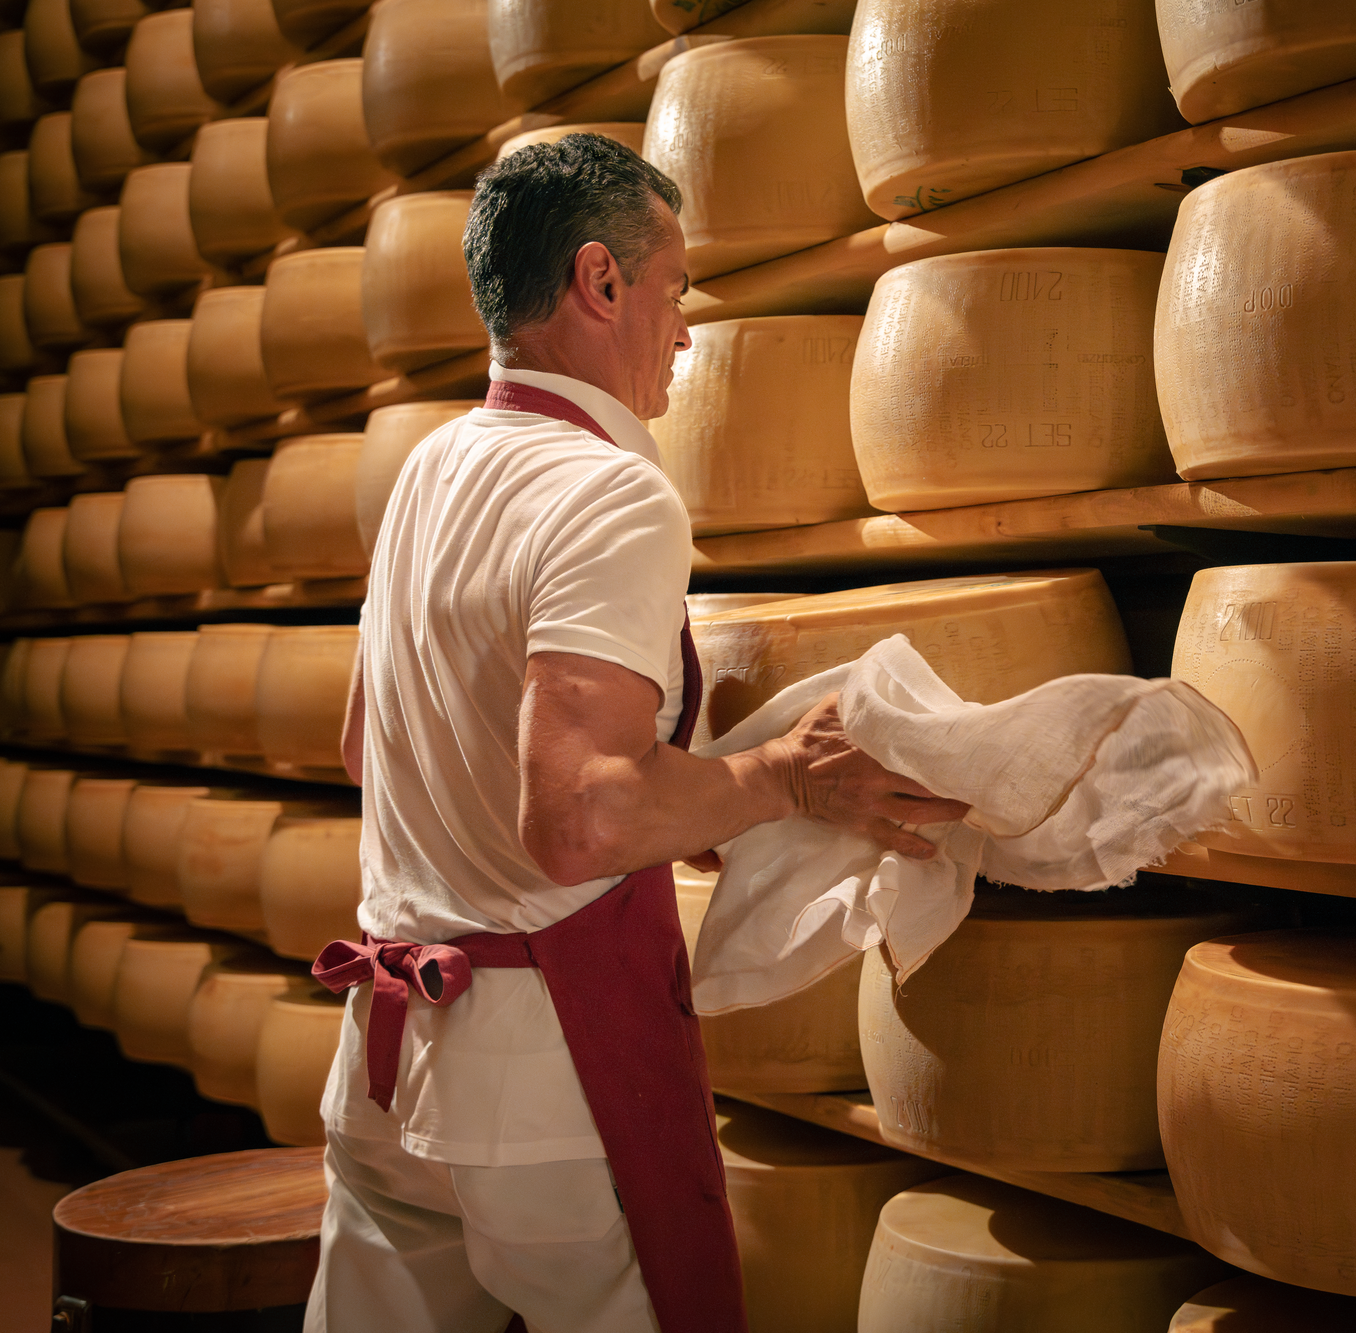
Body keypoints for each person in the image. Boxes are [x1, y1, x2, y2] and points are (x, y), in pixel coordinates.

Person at [303, 134, 968, 1333]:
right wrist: (773, 778)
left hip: (383, 1063)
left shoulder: (429, 469)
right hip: (543, 1081)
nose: (688, 328)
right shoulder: (606, 489)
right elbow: (585, 817)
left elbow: (367, 748)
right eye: (677, 288)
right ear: (601, 283)